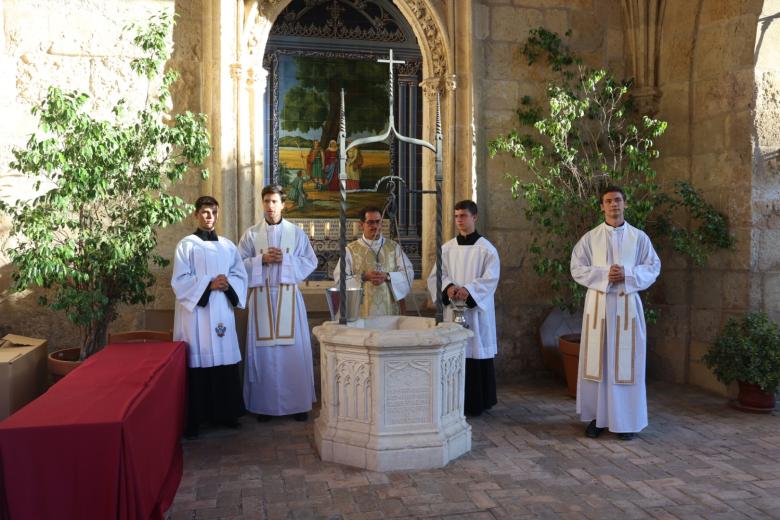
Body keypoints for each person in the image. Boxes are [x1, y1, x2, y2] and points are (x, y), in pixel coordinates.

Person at [570, 185, 661, 441]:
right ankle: (599, 418)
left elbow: (653, 267)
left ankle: (626, 421)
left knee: (626, 363)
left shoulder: (639, 237)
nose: (614, 205)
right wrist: (604, 275)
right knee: (599, 363)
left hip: (627, 309)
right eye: (608, 201)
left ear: (625, 203)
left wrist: (629, 275)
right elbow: (576, 268)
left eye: (618, 200)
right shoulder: (590, 238)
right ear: (602, 206)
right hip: (598, 308)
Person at [238, 184, 318, 422]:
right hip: (261, 298)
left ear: (283, 204)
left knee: (292, 352)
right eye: (266, 202)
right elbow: (237, 265)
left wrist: (287, 260)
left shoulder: (296, 233)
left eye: (274, 202)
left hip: (288, 299)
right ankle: (265, 406)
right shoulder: (251, 234)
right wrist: (260, 260)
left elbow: (310, 261)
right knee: (264, 354)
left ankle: (297, 404)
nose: (270, 206)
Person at [171, 196, 248, 438]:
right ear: (196, 214)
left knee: (224, 362)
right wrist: (208, 284)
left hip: (222, 309)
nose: (210, 216)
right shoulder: (187, 245)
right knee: (199, 361)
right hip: (198, 316)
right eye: (205, 212)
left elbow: (240, 274)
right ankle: (197, 418)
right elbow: (180, 280)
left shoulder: (227, 246)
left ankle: (226, 414)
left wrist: (228, 284)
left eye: (214, 212)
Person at [427, 200, 500, 416]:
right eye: (457, 216)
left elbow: (491, 278)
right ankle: (452, 401)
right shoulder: (447, 248)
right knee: (454, 353)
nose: (459, 220)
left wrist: (469, 291)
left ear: (474, 217)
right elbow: (436, 275)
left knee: (476, 353)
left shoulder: (486, 249)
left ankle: (477, 403)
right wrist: (448, 288)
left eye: (464, 216)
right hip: (453, 310)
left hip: (475, 313)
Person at [333, 206, 414, 317]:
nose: (375, 226)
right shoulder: (350, 250)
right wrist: (363, 277)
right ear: (361, 225)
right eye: (370, 222)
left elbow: (408, 273)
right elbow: (339, 280)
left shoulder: (394, 248)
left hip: (389, 311)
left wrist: (388, 276)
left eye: (378, 222)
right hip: (361, 311)